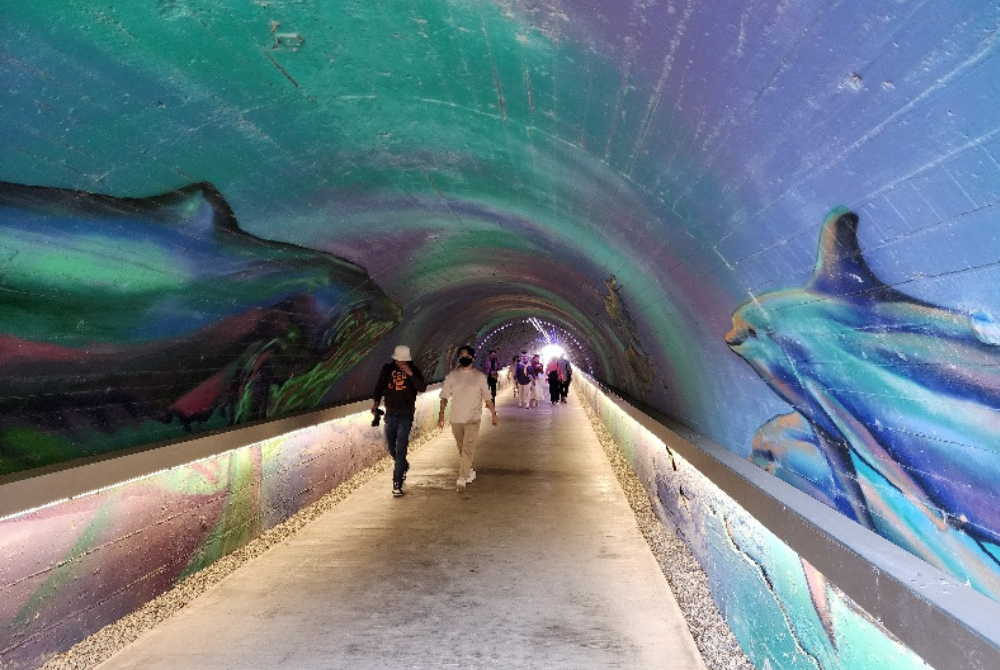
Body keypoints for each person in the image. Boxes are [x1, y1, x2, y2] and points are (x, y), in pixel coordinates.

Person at [439, 345, 498, 491]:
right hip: (456, 419)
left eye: (467, 355)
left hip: (473, 419)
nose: (464, 358)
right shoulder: (452, 376)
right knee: (462, 448)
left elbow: (487, 397)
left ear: (473, 358)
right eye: (461, 355)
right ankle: (470, 470)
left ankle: (462, 477)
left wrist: (493, 413)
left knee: (468, 448)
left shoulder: (480, 377)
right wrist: (441, 414)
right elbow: (444, 396)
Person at [372, 345, 427, 497]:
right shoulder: (387, 369)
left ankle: (397, 483)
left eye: (404, 361)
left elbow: (422, 387)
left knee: (401, 448)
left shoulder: (413, 369)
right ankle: (403, 465)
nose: (401, 363)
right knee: (391, 447)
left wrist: (410, 373)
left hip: (405, 414)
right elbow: (379, 386)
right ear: (395, 359)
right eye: (399, 360)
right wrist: (376, 403)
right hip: (390, 414)